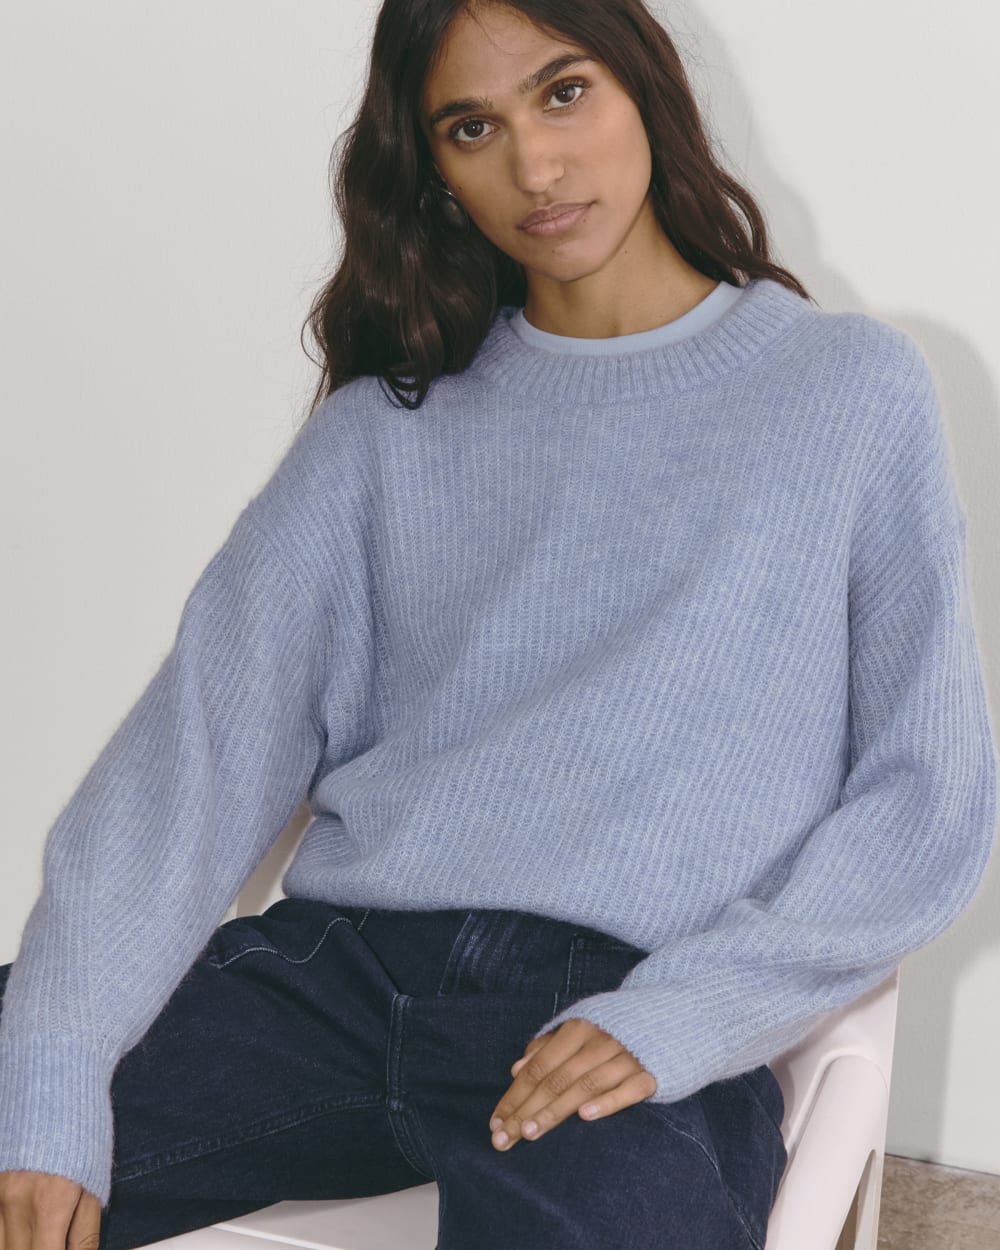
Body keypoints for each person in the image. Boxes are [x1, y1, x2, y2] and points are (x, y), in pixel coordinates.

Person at [1, 0, 996, 1247]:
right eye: (472, 127)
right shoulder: (381, 435)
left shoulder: (845, 391)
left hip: (620, 997)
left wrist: (688, 1013)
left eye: (564, 92)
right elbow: (182, 775)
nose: (534, 165)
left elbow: (923, 796)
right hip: (337, 977)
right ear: (434, 172)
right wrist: (48, 1074)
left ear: (645, 89)